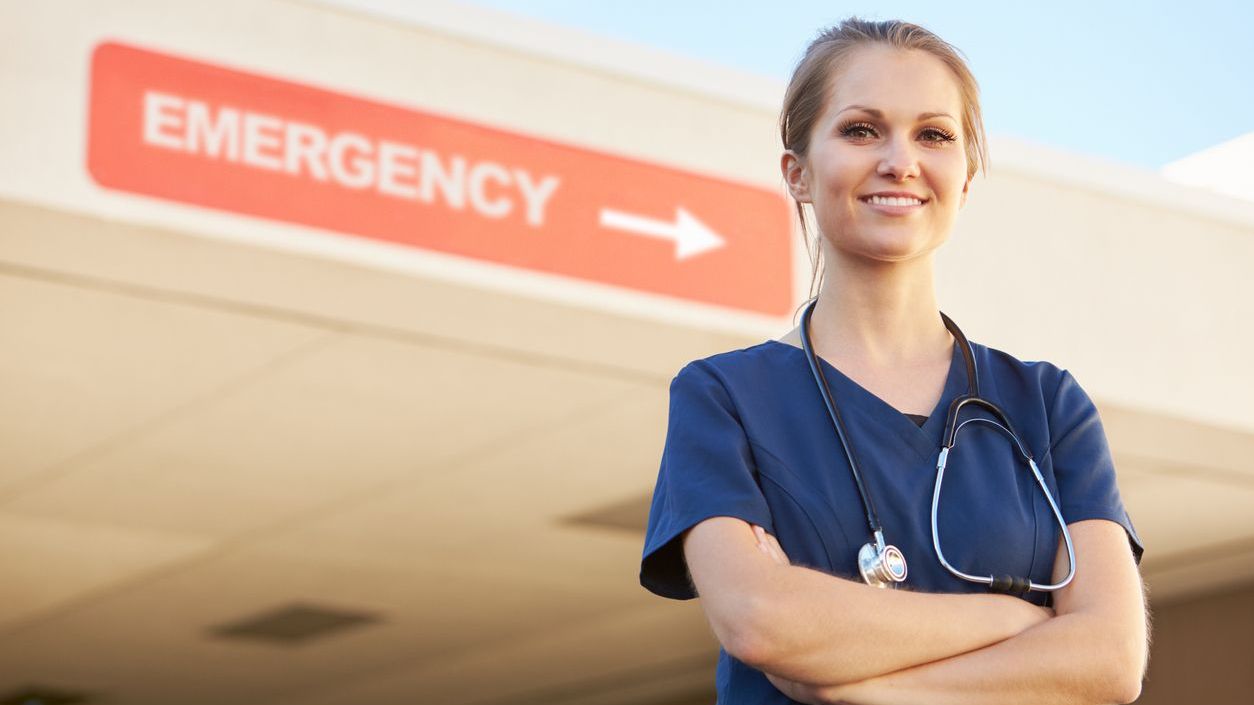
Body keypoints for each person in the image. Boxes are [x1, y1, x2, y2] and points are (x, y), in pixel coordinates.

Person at [638, 17, 1150, 705]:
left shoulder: (1047, 405)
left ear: (965, 178)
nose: (900, 161)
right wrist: (1013, 618)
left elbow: (1110, 659)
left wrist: (863, 683)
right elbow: (761, 621)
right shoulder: (723, 396)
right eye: (860, 130)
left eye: (934, 134)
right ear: (798, 173)